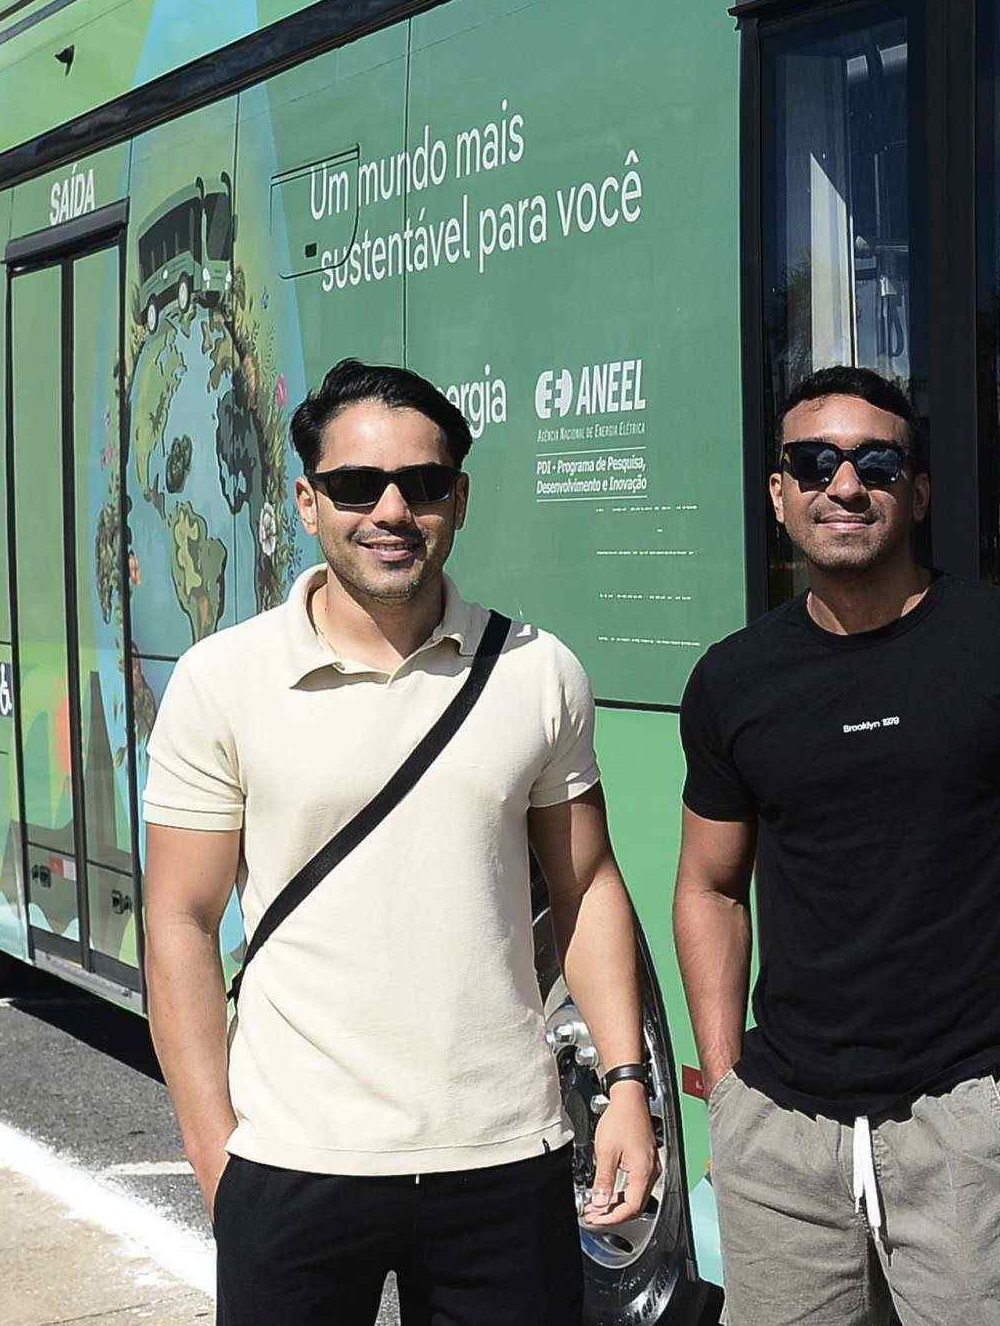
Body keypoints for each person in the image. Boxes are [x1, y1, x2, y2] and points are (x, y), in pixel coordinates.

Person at [143, 358, 659, 1325]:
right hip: (294, 1159)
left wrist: (626, 1082)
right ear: (306, 501)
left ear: (458, 498)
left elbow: (586, 884)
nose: (391, 510)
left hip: (503, 1155)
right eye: (354, 486)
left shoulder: (537, 671)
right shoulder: (224, 682)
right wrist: (216, 1152)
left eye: (422, 485)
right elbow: (178, 919)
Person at [675, 364, 1000, 1325]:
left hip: (970, 1124)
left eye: (876, 462)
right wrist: (725, 1089)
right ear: (779, 494)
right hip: (784, 1137)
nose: (845, 485)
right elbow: (710, 888)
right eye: (815, 463)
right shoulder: (733, 680)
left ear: (917, 492)